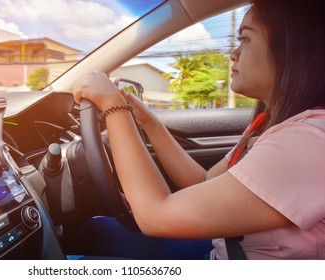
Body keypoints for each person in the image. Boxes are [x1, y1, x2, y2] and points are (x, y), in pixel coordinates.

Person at [72, 0, 325, 260]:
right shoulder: (272, 126)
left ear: (293, 50)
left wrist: (114, 107)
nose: (234, 54)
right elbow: (204, 182)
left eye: (246, 39)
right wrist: (149, 122)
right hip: (220, 253)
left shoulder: (308, 142)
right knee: (93, 230)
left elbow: (155, 216)